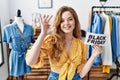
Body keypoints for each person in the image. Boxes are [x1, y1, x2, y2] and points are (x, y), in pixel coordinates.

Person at [26, 6, 103, 80]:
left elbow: (81, 74)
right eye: (62, 20)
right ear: (58, 23)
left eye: (70, 19)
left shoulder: (81, 44)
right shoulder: (52, 40)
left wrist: (93, 56)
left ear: (75, 21)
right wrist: (43, 34)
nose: (66, 23)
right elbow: (30, 61)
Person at [3, 9, 34, 80]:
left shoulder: (29, 28)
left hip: (26, 55)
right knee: (16, 76)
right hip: (15, 55)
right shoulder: (7, 28)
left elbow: (32, 40)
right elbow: (7, 43)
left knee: (24, 75)